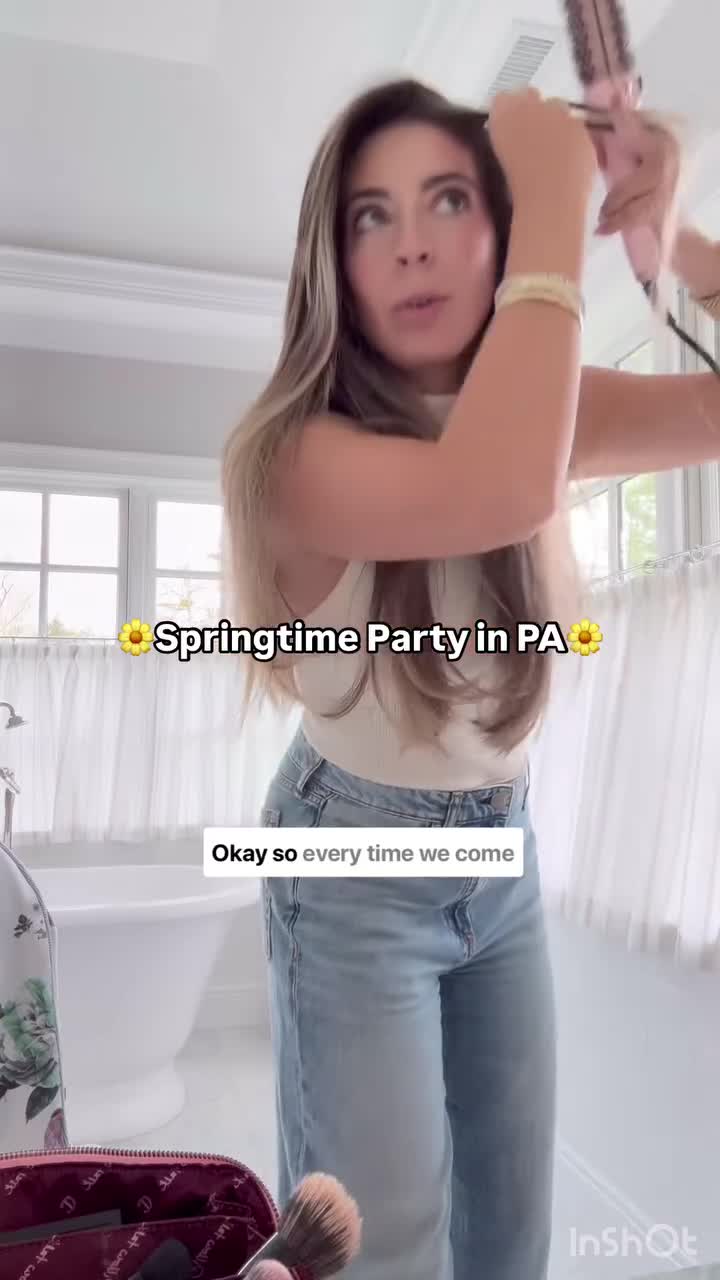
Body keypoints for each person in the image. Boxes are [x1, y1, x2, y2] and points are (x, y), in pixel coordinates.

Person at [221, 79, 720, 1280]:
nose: (416, 242)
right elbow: (498, 488)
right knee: (379, 1245)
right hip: (350, 859)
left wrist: (669, 234)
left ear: (489, 233)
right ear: (332, 260)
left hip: (503, 846)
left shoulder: (537, 415)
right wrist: (552, 201)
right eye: (373, 215)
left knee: (508, 1236)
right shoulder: (293, 455)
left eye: (449, 200)